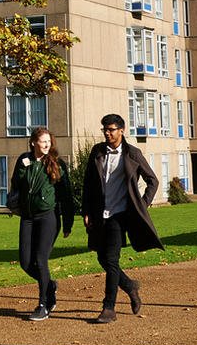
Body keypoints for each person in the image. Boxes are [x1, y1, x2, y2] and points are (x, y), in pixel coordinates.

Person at [81, 113, 161, 323]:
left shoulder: (133, 154)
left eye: (111, 130)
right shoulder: (97, 152)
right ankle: (130, 286)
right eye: (105, 130)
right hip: (100, 215)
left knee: (112, 259)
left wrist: (141, 205)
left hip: (119, 215)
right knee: (102, 258)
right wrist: (86, 211)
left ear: (122, 130)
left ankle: (109, 308)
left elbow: (152, 180)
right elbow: (88, 184)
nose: (108, 133)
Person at [9, 126, 74, 321]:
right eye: (42, 141)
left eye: (48, 141)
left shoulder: (57, 164)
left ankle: (44, 304)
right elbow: (16, 185)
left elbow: (66, 196)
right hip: (28, 217)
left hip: (48, 217)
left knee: (40, 259)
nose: (46, 144)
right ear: (33, 143)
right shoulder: (23, 160)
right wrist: (14, 203)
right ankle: (50, 285)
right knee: (25, 262)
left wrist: (68, 223)